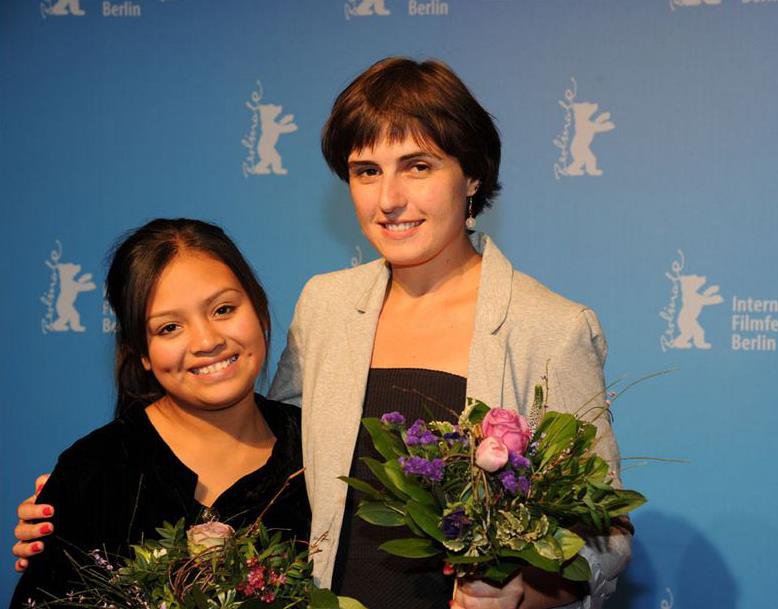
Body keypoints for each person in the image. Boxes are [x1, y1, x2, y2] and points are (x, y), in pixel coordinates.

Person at [14, 58, 632, 609]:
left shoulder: (549, 326)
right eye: (366, 171)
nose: (389, 198)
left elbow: (605, 532)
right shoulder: (327, 305)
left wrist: (527, 588)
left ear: (471, 177)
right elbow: (276, 455)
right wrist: (88, 500)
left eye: (417, 166)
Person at [9, 219, 310, 608]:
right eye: (169, 328)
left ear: (260, 311)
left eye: (223, 309)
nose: (207, 341)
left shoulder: (320, 454)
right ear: (142, 353)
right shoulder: (95, 471)